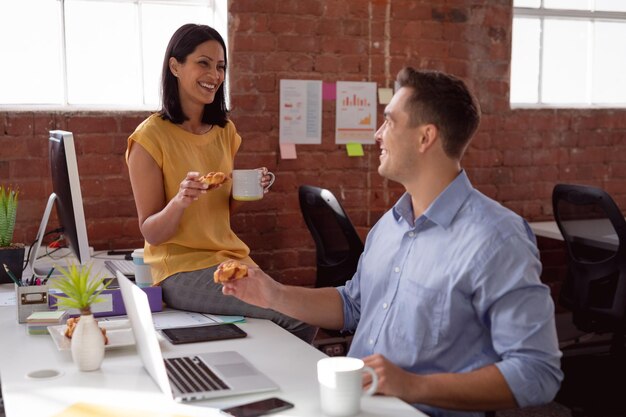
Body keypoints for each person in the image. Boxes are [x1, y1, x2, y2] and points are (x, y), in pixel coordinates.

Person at [223, 67, 563, 416]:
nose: (377, 134)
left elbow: (537, 372)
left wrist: (413, 385)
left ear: (425, 137)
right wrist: (272, 294)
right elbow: (353, 305)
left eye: (389, 122)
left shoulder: (497, 238)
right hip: (353, 406)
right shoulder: (390, 225)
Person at [125, 23, 316, 343]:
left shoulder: (225, 131)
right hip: (178, 270)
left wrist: (250, 189)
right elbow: (151, 232)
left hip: (229, 260)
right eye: (203, 63)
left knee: (301, 312)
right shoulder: (148, 139)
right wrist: (181, 201)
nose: (214, 74)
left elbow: (219, 212)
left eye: (221, 66)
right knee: (296, 317)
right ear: (175, 66)